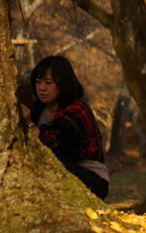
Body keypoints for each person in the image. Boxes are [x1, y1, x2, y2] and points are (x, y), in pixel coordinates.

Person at [20, 55, 109, 199]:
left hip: (90, 176)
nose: (41, 88)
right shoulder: (37, 108)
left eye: (48, 82)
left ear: (63, 83)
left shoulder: (78, 108)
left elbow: (57, 148)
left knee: (50, 160)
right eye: (37, 82)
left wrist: (29, 124)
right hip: (57, 171)